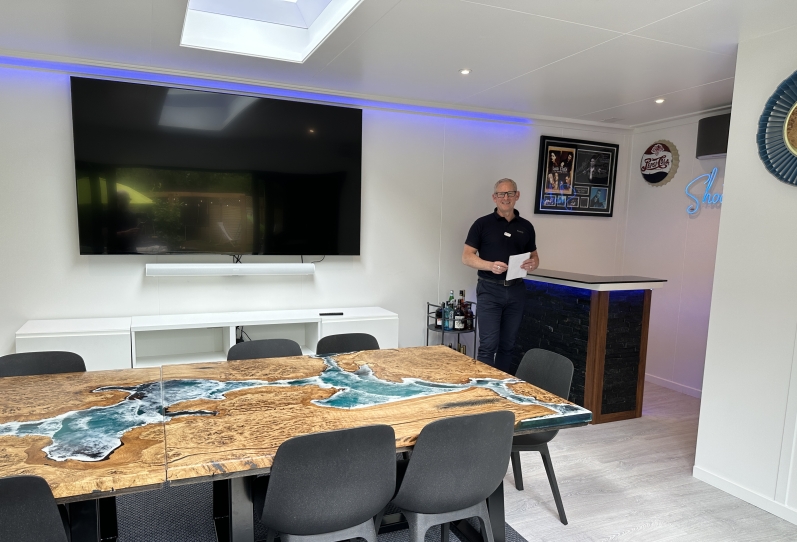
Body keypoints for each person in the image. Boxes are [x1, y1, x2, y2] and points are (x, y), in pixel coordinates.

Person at [462, 178, 539, 372]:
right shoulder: (482, 224)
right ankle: (484, 390)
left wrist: (533, 263)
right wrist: (489, 265)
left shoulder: (526, 226)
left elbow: (535, 257)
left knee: (508, 346)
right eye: (501, 194)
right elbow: (466, 257)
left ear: (517, 196)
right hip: (489, 290)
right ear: (494, 198)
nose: (506, 198)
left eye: (510, 193)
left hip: (516, 291)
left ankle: (503, 389)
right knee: (488, 346)